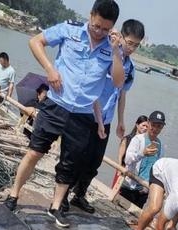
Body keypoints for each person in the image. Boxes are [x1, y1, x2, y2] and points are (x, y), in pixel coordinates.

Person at [3, 0, 125, 227]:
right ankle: (13, 194)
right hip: (56, 103)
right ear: (91, 16)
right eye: (97, 26)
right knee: (35, 151)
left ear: (113, 27)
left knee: (70, 163)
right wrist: (50, 69)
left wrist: (117, 52)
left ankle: (56, 207)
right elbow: (35, 41)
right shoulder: (69, 30)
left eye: (106, 29)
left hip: (82, 114)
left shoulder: (111, 48)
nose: (100, 32)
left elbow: (118, 82)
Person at [64, 19, 145, 213]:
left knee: (95, 160)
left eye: (136, 45)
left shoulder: (130, 68)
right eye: (130, 42)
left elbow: (121, 94)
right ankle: (63, 194)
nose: (132, 48)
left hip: (106, 119)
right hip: (88, 114)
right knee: (77, 156)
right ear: (121, 37)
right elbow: (92, 86)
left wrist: (121, 121)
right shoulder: (105, 54)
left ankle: (79, 195)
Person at [119, 111, 165, 208]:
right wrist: (142, 153)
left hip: (144, 189)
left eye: (159, 126)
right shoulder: (138, 139)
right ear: (148, 123)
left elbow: (159, 168)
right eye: (153, 125)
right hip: (130, 185)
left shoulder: (160, 145)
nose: (155, 129)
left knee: (134, 215)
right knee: (119, 211)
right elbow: (127, 160)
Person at [111, 115, 149, 187]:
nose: (145, 128)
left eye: (147, 127)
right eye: (143, 125)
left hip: (135, 173)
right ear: (137, 124)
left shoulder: (145, 142)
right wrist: (119, 170)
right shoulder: (127, 139)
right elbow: (120, 156)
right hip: (123, 170)